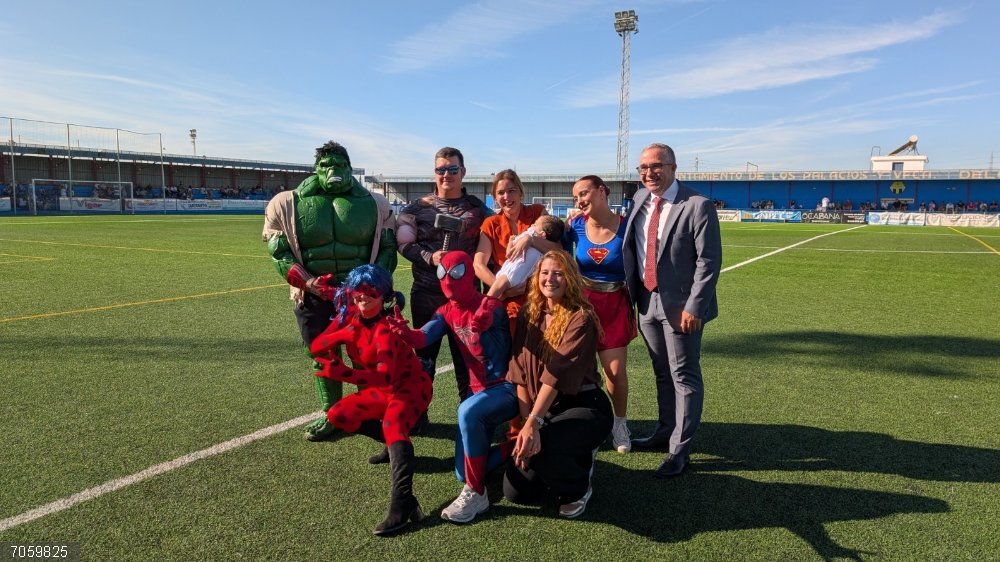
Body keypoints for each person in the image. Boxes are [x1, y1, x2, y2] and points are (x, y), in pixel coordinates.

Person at [262, 141, 396, 441]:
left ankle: (368, 413)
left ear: (350, 169)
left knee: (367, 354)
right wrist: (308, 283)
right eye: (326, 165)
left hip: (360, 295)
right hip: (313, 294)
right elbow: (278, 252)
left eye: (340, 165)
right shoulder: (287, 203)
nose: (333, 170)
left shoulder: (376, 204)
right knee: (323, 354)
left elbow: (388, 249)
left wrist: (372, 285)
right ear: (316, 170)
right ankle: (332, 414)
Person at [387, 251, 517, 524]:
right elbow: (423, 338)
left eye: (456, 272)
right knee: (462, 470)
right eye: (443, 274)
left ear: (468, 273)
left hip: (506, 388)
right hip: (477, 391)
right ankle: (515, 448)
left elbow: (494, 316)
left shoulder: (490, 306)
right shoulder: (446, 311)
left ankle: (476, 494)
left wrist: (486, 319)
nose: (448, 280)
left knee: (467, 412)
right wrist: (405, 333)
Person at [624, 143, 722, 478]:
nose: (648, 173)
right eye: (642, 168)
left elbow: (709, 262)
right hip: (646, 303)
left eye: (655, 166)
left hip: (682, 308)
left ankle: (680, 451)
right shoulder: (638, 200)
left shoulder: (698, 205)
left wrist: (695, 306)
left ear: (673, 167)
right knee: (662, 373)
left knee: (684, 375)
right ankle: (665, 432)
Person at [309, 265, 430, 536]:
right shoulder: (350, 315)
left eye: (371, 293)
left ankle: (404, 503)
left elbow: (385, 377)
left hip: (409, 388)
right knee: (338, 415)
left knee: (393, 424)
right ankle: (393, 449)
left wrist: (344, 373)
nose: (363, 298)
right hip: (383, 389)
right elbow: (316, 347)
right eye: (359, 292)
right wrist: (342, 331)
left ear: (384, 296)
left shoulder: (386, 330)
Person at [503, 250, 613, 519]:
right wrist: (526, 422)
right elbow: (519, 372)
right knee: (517, 492)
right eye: (544, 273)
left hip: (584, 406)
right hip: (545, 410)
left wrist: (534, 424)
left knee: (540, 453)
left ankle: (579, 486)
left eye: (558, 273)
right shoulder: (530, 313)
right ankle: (567, 457)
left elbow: (554, 376)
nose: (550, 279)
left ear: (570, 279)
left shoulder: (581, 318)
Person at [396, 147, 490, 403]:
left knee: (468, 360)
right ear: (434, 172)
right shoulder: (417, 208)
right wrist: (430, 257)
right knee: (424, 359)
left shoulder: (478, 210)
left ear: (463, 172)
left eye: (452, 169)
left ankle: (470, 414)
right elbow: (403, 243)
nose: (446, 174)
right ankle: (417, 412)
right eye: (441, 170)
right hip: (427, 294)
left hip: (467, 300)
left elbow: (499, 234)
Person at [563, 175, 638, 454]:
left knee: (615, 372)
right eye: (576, 197)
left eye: (584, 193)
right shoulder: (575, 226)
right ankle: (581, 425)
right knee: (577, 371)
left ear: (602, 191)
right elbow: (552, 245)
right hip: (581, 305)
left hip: (615, 304)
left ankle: (620, 423)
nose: (580, 200)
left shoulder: (627, 226)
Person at [474, 169, 562, 332]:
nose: (506, 197)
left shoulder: (538, 213)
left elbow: (558, 250)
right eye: (501, 193)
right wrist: (505, 290)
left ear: (521, 192)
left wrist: (530, 240)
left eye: (511, 191)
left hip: (539, 298)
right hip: (506, 301)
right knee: (507, 353)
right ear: (495, 198)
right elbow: (478, 264)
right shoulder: (490, 223)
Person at [483, 215, 565, 300]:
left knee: (494, 292)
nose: (532, 225)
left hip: (514, 270)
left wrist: (511, 241)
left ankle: (484, 304)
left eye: (535, 224)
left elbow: (508, 253)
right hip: (521, 278)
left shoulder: (530, 234)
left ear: (542, 234)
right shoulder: (542, 249)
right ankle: (489, 303)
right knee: (499, 294)